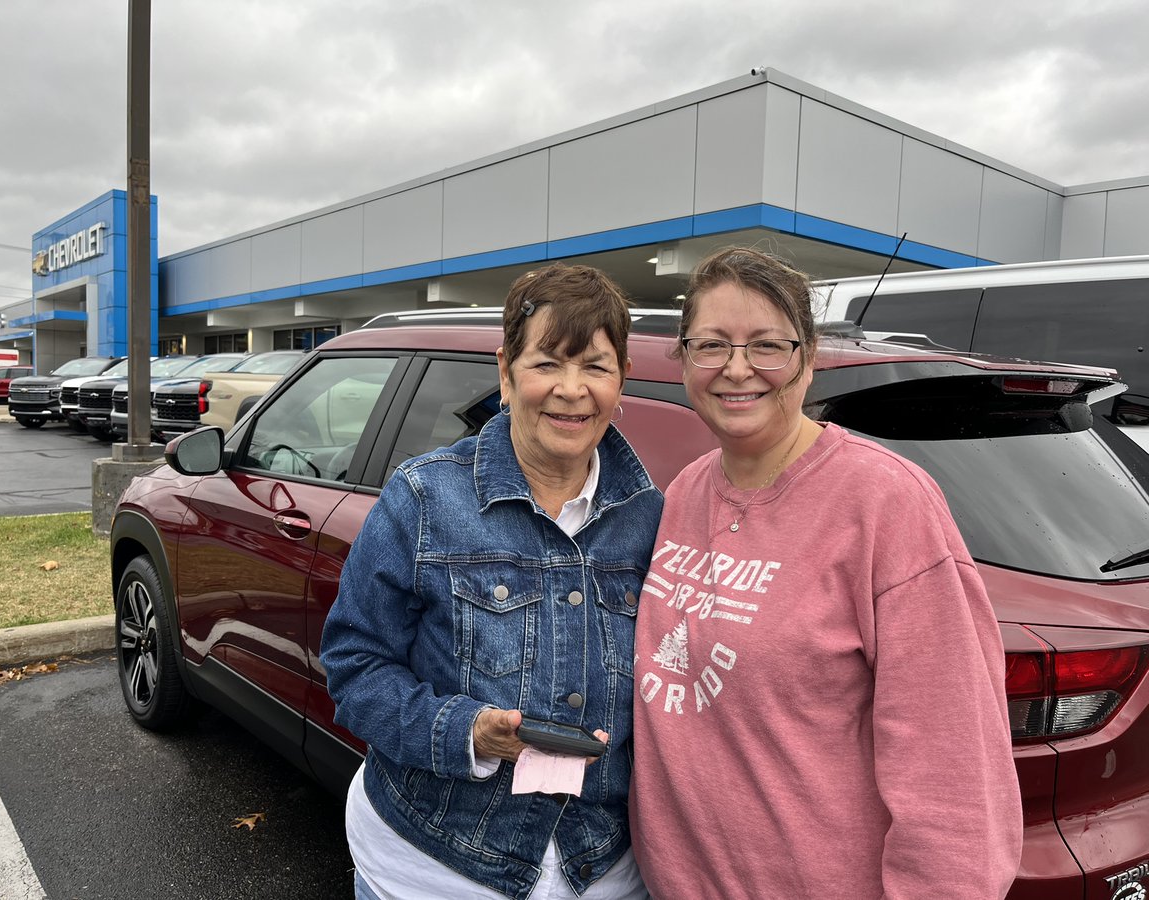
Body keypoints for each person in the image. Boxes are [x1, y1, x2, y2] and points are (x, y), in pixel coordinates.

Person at [629, 248, 1023, 898]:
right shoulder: (684, 493)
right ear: (685, 359)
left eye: (767, 346)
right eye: (712, 345)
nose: (736, 369)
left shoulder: (885, 504)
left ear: (808, 358)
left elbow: (956, 777)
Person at [320, 263, 662, 900]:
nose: (571, 390)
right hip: (433, 869)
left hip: (605, 872)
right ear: (506, 373)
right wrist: (466, 732)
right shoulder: (424, 499)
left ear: (622, 380)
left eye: (595, 366)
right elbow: (354, 668)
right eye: (546, 364)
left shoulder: (652, 519)